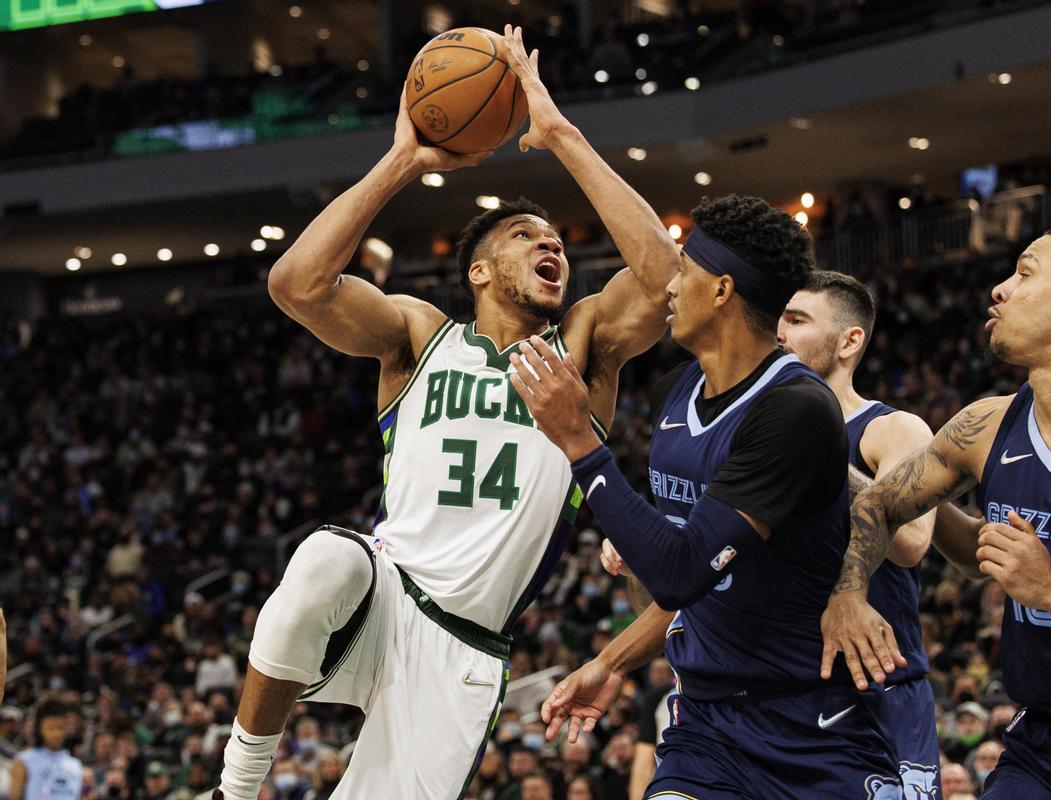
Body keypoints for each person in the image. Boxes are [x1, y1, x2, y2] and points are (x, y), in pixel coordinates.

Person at [216, 25, 676, 800]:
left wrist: (559, 133)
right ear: (481, 270)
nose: (551, 244)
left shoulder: (586, 343)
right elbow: (295, 285)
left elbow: (668, 283)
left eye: (558, 240)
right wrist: (402, 161)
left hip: (464, 649)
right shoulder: (420, 336)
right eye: (527, 235)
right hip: (384, 595)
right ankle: (235, 788)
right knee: (326, 557)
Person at [509, 195, 900, 796]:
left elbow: (681, 571)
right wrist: (612, 660)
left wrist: (578, 443)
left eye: (684, 269)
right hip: (707, 725)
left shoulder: (794, 409)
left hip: (812, 726)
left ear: (721, 290)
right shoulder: (675, 391)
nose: (669, 286)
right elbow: (680, 583)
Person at [821, 218, 1051, 799]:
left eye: (1024, 273)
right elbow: (878, 505)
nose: (999, 289)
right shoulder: (985, 424)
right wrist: (848, 594)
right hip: (1042, 742)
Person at [776, 270, 940, 791]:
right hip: (777, 687)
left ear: (850, 341)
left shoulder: (893, 428)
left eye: (797, 320)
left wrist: (820, 447)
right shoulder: (752, 429)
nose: (779, 332)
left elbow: (911, 542)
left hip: (875, 689)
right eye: (779, 318)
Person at [9, 699, 84, 800]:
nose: (56, 733)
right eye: (51, 728)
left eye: (60, 727)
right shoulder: (24, 761)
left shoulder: (76, 765)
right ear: (40, 729)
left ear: (67, 728)